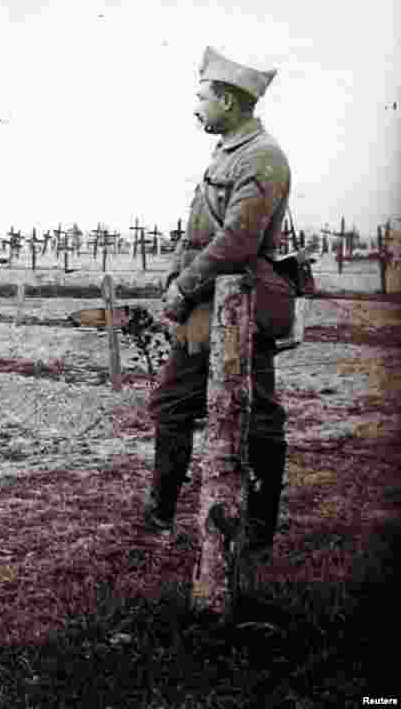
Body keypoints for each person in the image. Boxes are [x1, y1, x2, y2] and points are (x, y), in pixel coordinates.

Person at [144, 46, 295, 553]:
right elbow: (196, 233)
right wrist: (175, 281)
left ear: (228, 100)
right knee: (171, 404)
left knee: (259, 414)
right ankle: (160, 517)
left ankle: (256, 532)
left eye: (202, 96)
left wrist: (183, 287)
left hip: (241, 305)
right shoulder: (231, 152)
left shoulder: (262, 156)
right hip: (204, 308)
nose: (196, 106)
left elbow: (236, 242)